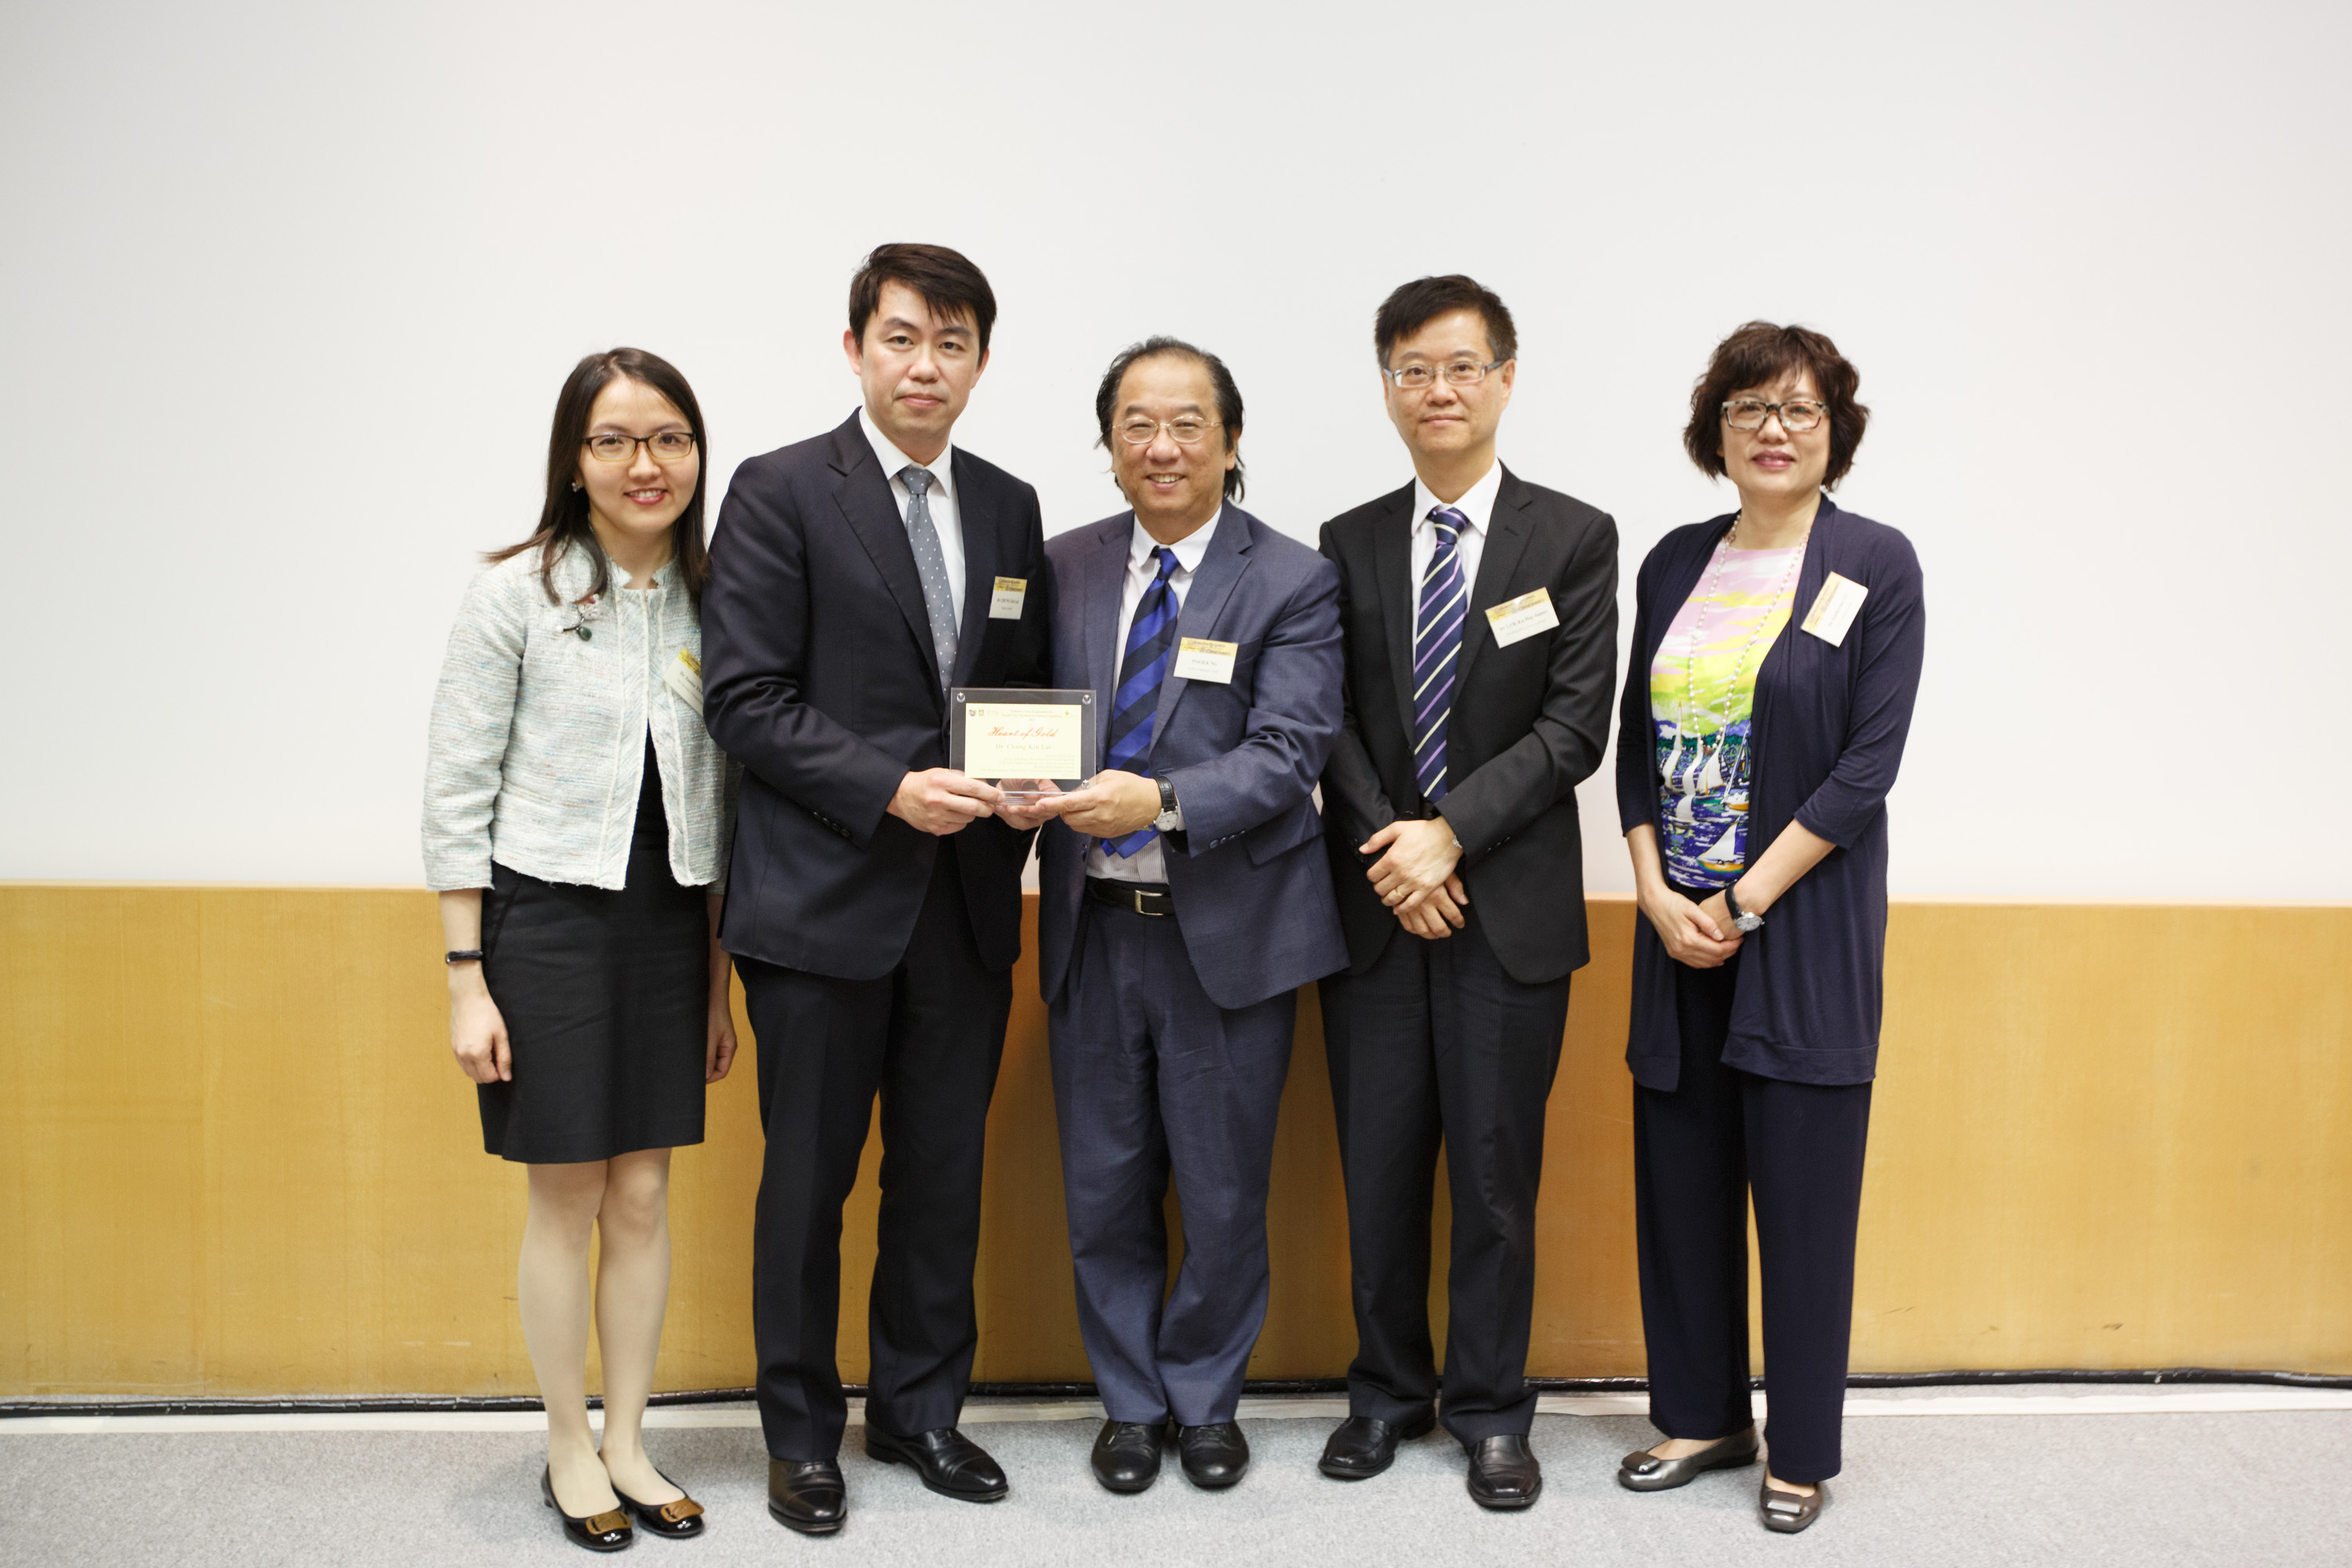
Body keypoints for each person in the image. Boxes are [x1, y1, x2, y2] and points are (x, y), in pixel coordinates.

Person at [699, 244, 1050, 1536]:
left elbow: (1014, 698)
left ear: (980, 364)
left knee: (940, 1176)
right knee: (808, 1182)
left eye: (952, 344)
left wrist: (1025, 795)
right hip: (820, 905)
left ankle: (919, 1413)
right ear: (855, 348)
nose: (925, 365)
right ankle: (801, 1435)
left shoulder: (1010, 506)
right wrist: (889, 787)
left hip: (962, 909)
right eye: (903, 338)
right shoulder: (783, 490)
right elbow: (744, 699)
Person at [1004, 337, 1345, 1497]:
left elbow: (1292, 752)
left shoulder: (1293, 578)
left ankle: (1205, 1396)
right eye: (1138, 424)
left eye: (1189, 422)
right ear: (1109, 448)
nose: (1163, 445)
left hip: (1228, 937)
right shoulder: (1063, 567)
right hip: (1092, 932)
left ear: (1231, 440)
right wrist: (1006, 785)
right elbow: (1022, 717)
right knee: (1103, 1184)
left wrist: (1161, 799)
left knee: (1223, 1189)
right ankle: (1131, 1406)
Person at [1611, 322, 1924, 1534]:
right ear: (1717, 432)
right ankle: (1697, 1412)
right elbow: (1637, 744)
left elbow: (1864, 771)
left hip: (1794, 930)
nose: (1774, 430)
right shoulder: (1674, 560)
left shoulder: (1875, 564)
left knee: (1800, 1193)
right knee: (1680, 1178)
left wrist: (1744, 899)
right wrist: (1653, 889)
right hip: (1674, 924)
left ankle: (1799, 1447)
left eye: (1799, 409)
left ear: (1835, 428)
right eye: (1750, 409)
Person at [1312, 276, 1619, 1509]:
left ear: (1504, 377)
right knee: (1379, 1168)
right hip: (1382, 911)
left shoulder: (1574, 535)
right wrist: (1398, 851)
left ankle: (1492, 1410)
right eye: (1410, 371)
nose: (1436, 391)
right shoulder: (1346, 540)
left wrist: (1450, 838)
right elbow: (1327, 720)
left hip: (1509, 914)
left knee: (1495, 1177)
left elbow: (1572, 729)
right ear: (1386, 388)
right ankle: (1386, 1393)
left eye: (1459, 367)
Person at [423, 347, 736, 1552]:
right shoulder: (518, 594)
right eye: (614, 440)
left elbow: (724, 805)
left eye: (668, 438)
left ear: (697, 454)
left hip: (671, 926)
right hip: (544, 922)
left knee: (646, 1195)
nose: (644, 464)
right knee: (568, 1197)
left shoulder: (723, 598)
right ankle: (566, 1443)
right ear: (573, 460)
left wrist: (717, 984)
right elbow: (456, 790)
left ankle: (630, 1436)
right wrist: (466, 978)